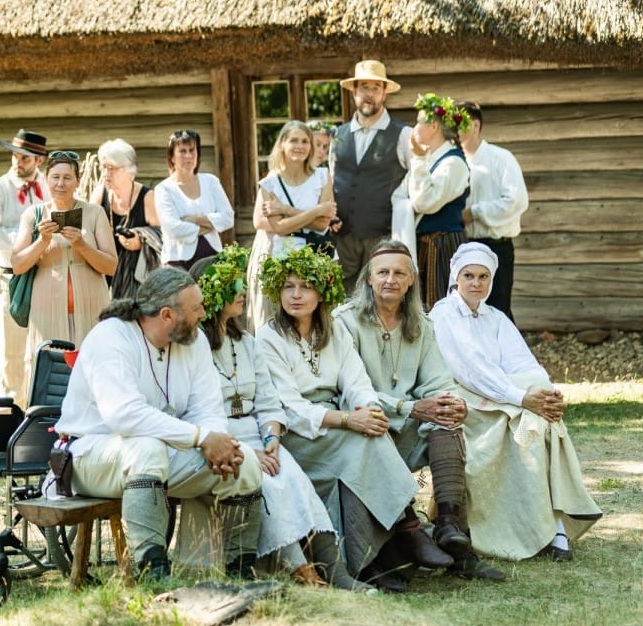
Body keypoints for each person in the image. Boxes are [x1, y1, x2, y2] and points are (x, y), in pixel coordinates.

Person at [256, 246, 454, 593]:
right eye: (288, 287)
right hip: (300, 433)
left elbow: (356, 380)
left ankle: (375, 558)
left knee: (372, 434)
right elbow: (288, 407)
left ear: (322, 293)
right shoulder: (270, 337)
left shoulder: (332, 330)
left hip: (337, 420)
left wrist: (369, 410)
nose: (296, 295)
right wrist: (349, 419)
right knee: (359, 442)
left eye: (305, 286)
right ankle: (406, 530)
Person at [55, 266, 264, 580]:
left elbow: (207, 409)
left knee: (244, 460)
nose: (204, 314)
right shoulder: (111, 336)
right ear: (167, 315)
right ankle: (153, 572)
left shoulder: (195, 343)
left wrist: (216, 442)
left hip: (159, 456)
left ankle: (241, 573)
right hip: (89, 457)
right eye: (196, 309)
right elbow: (123, 414)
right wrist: (200, 437)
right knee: (146, 449)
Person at [188, 248, 369, 590]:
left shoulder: (248, 342)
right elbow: (198, 410)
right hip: (222, 437)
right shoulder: (195, 346)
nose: (243, 289)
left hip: (260, 434)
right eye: (233, 284)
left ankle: (334, 569)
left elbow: (270, 403)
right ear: (211, 292)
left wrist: (271, 441)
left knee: (294, 479)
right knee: (268, 482)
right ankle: (299, 568)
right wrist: (244, 450)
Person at [334, 240, 505, 581]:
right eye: (382, 272)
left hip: (408, 426)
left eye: (400, 273)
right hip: (368, 423)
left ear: (411, 279)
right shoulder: (345, 322)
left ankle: (449, 529)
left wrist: (449, 402)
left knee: (447, 426)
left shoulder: (421, 324)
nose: (390, 280)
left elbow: (438, 380)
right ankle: (405, 538)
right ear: (369, 278)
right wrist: (412, 407)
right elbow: (349, 392)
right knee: (385, 425)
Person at [430, 243, 602, 562]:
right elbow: (470, 370)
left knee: (539, 421)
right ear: (456, 277)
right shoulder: (444, 314)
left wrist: (546, 392)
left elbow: (524, 363)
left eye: (483, 276)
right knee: (533, 421)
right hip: (466, 400)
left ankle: (550, 525)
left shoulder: (494, 317)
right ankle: (554, 525)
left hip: (506, 395)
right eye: (469, 275)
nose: (476, 283)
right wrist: (521, 397)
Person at [11, 150, 116, 388]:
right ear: (46, 178)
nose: (61, 183)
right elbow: (17, 265)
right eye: (55, 177)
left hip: (91, 308)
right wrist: (42, 241)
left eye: (67, 177)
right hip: (46, 311)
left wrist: (81, 244)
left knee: (94, 375)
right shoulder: (33, 215)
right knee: (50, 377)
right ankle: (49, 423)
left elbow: (110, 266)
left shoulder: (94, 213)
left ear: (77, 181)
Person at [0, 129, 49, 401]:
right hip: (8, 277)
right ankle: (9, 412)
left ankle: (32, 408)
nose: (18, 162)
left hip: (44, 276)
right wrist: (25, 240)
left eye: (26, 158)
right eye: (16, 156)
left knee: (38, 347)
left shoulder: (49, 187)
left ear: (39, 161)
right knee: (8, 352)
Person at [331, 60, 413, 292]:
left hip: (382, 237)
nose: (369, 94)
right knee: (341, 300)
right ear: (354, 92)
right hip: (344, 238)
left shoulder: (402, 134)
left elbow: (415, 182)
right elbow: (331, 180)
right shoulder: (338, 134)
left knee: (378, 298)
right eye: (364, 87)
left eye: (376, 88)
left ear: (384, 93)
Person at [247, 121, 337, 328]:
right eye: (294, 140)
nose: (300, 145)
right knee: (279, 318)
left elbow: (324, 224)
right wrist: (315, 211)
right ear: (282, 145)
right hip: (282, 254)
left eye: (305, 141)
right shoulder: (269, 183)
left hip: (317, 254)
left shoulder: (323, 177)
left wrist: (286, 211)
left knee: (319, 319)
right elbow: (277, 227)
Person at [457, 101, 529, 324]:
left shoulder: (501, 158)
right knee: (467, 309)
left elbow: (516, 200)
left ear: (475, 125)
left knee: (498, 310)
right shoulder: (454, 162)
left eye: (460, 124)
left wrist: (475, 212)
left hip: (495, 246)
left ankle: (506, 358)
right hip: (463, 245)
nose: (454, 130)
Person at [407, 94, 472, 311]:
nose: (414, 127)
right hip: (427, 244)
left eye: (419, 121)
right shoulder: (434, 158)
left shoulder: (453, 163)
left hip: (442, 247)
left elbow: (424, 203)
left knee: (441, 308)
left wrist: (417, 159)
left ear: (434, 126)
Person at [90, 138, 161, 300]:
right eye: (104, 167)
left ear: (130, 171)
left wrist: (140, 238)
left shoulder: (147, 197)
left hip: (138, 279)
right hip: (103, 273)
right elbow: (86, 227)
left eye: (112, 168)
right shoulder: (100, 194)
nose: (106, 174)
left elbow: (162, 237)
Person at [154, 130, 234, 270]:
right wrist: (210, 225)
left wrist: (194, 219)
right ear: (172, 157)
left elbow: (228, 218)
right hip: (178, 264)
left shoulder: (211, 181)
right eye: (182, 151)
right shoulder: (163, 189)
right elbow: (173, 229)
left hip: (213, 262)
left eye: (192, 150)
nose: (189, 156)